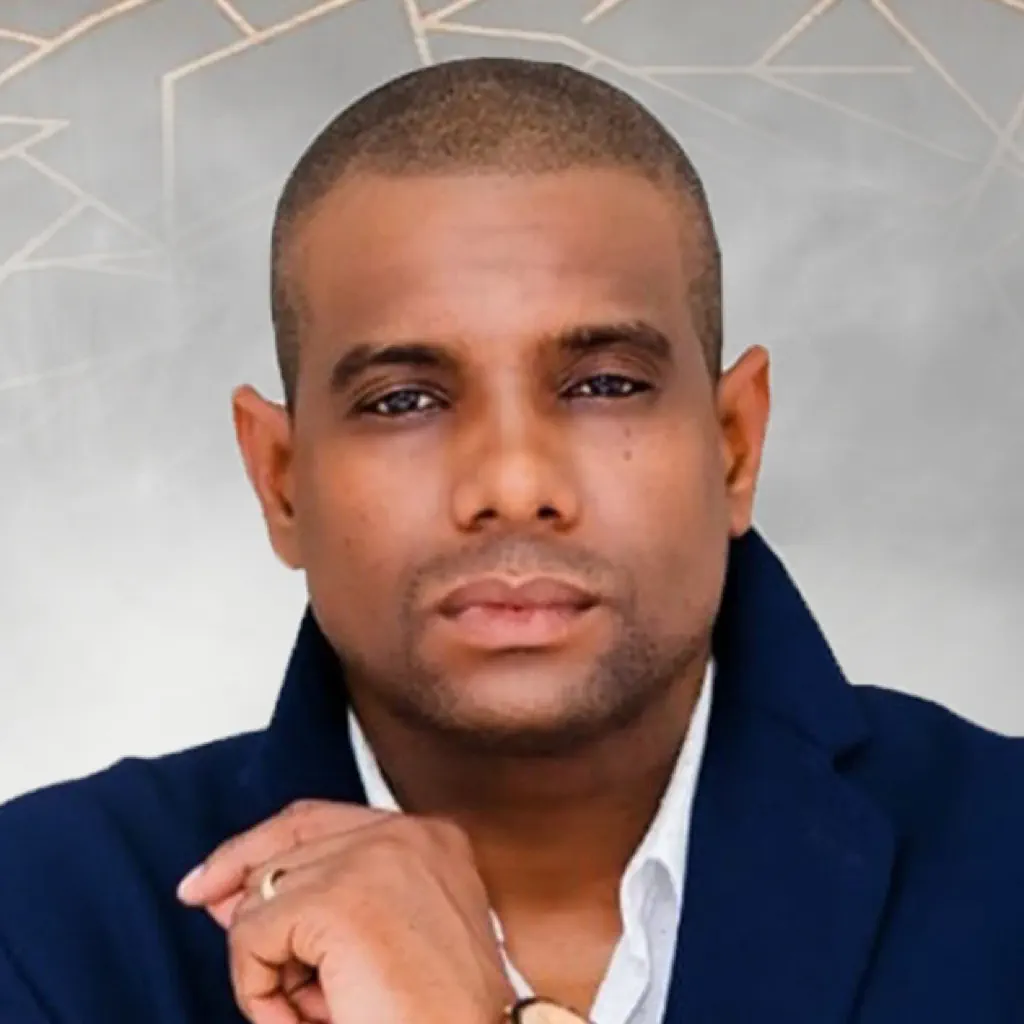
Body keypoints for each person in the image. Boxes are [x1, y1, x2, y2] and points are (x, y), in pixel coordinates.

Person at [0, 56, 1021, 1024]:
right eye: (403, 399)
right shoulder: (41, 922)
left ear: (734, 446)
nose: (514, 485)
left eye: (604, 385)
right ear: (281, 482)